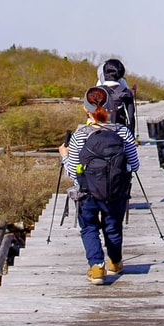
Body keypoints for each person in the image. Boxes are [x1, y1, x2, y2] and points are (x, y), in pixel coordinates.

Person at [60, 85, 140, 285]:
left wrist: (64, 156)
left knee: (89, 228)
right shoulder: (123, 133)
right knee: (113, 227)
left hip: (87, 193)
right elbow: (135, 165)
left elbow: (72, 172)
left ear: (86, 110)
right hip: (116, 192)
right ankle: (115, 262)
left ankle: (97, 267)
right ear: (111, 108)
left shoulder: (80, 135)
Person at [97, 57, 137, 136]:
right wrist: (131, 136)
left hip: (99, 135)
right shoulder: (126, 93)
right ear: (121, 75)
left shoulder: (94, 91)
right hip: (120, 134)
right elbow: (130, 118)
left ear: (103, 73)